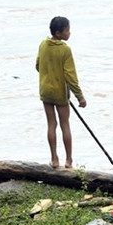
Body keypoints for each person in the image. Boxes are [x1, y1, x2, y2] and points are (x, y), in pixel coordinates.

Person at [35, 16, 86, 169]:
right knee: (65, 125)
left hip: (45, 91)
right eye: (67, 31)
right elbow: (70, 75)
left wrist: (49, 75)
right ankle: (69, 161)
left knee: (51, 124)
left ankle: (54, 159)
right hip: (60, 93)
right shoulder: (65, 50)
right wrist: (80, 97)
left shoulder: (43, 45)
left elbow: (38, 66)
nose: (69, 33)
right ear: (58, 33)